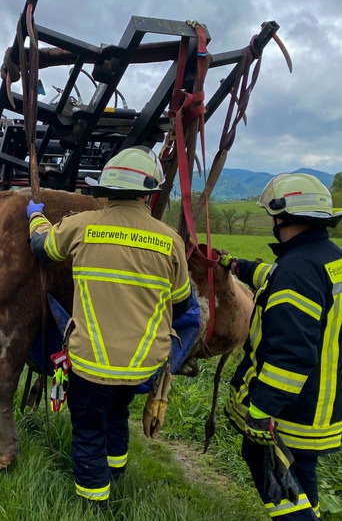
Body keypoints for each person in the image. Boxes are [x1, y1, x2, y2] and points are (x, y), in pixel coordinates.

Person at [27, 147, 191, 506]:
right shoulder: (170, 241)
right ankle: (116, 473)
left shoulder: (83, 225)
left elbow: (42, 246)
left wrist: (35, 217)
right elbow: (181, 303)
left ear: (104, 190)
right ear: (149, 193)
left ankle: (93, 503)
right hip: (141, 366)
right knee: (118, 415)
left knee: (88, 431)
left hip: (92, 364)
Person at [220, 173, 342, 520]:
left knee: (273, 471)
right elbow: (272, 280)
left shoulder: (297, 270)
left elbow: (291, 355)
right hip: (323, 405)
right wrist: (235, 265)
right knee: (300, 472)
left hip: (293, 411)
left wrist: (261, 412)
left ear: (280, 216)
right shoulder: (327, 258)